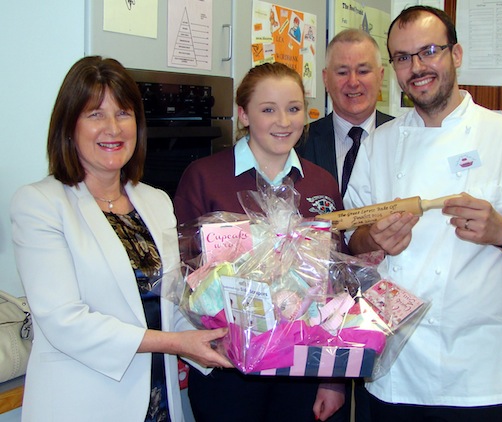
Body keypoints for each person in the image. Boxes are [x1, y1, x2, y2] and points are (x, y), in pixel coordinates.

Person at [345, 6, 502, 422]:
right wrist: (373, 240)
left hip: (478, 375)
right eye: (403, 57)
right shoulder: (379, 144)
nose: (417, 67)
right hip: (394, 372)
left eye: (429, 51)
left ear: (457, 54)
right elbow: (351, 243)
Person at [10, 56, 231, 422]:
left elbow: (172, 306)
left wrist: (230, 331)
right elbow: (65, 321)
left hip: (157, 400)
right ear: (69, 126)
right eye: (95, 114)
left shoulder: (156, 202)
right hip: (82, 404)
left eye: (123, 113)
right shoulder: (40, 204)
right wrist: (176, 344)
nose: (112, 128)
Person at [174, 62, 347, 422]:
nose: (283, 121)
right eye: (268, 109)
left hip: (302, 370)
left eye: (294, 108)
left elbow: (335, 288)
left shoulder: (321, 184)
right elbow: (184, 276)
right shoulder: (205, 177)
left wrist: (333, 378)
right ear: (243, 114)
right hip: (227, 367)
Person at [296, 28, 394, 196]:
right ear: (326, 79)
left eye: (363, 71)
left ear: (380, 76)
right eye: (342, 72)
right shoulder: (299, 144)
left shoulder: (402, 138)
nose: (353, 82)